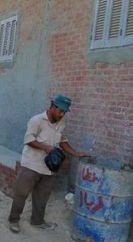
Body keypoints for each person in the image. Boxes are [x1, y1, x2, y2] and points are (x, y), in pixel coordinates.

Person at [8, 95, 88, 233]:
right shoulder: (37, 120)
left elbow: (62, 140)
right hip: (32, 164)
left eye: (64, 112)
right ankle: (14, 220)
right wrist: (47, 148)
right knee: (21, 193)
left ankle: (37, 221)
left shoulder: (61, 122)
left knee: (42, 195)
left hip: (49, 167)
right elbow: (28, 140)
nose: (62, 114)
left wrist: (75, 153)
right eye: (60, 111)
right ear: (52, 107)